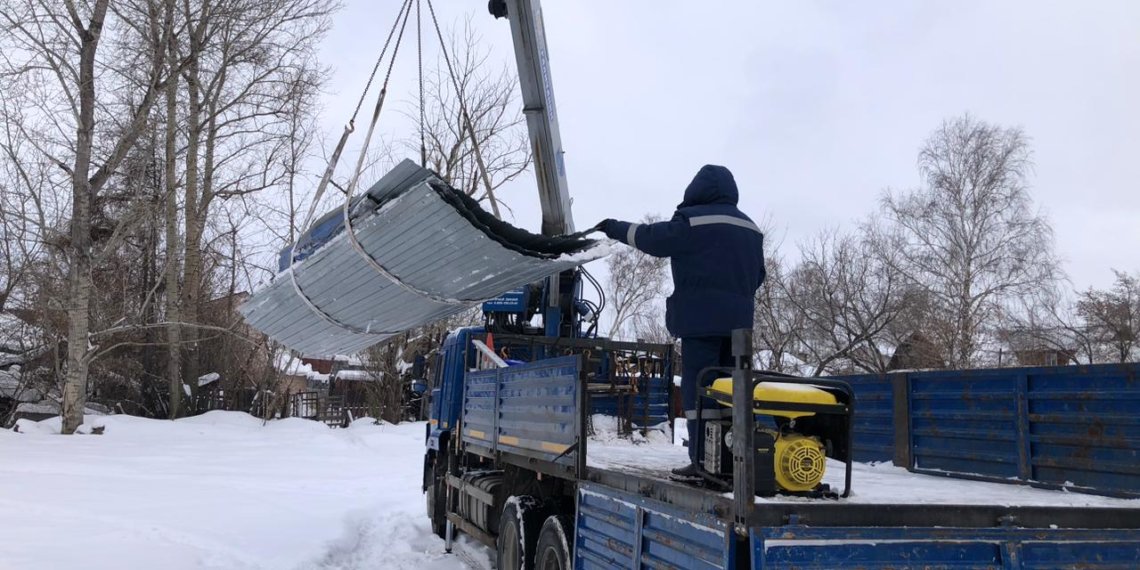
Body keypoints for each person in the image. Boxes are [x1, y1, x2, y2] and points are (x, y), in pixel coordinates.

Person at [597, 164, 765, 477]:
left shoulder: (693, 221)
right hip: (740, 328)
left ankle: (702, 462)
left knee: (698, 390)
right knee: (732, 391)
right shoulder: (751, 229)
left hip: (700, 323)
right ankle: (732, 462)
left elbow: (650, 239)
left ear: (696, 190)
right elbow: (759, 276)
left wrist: (612, 226)